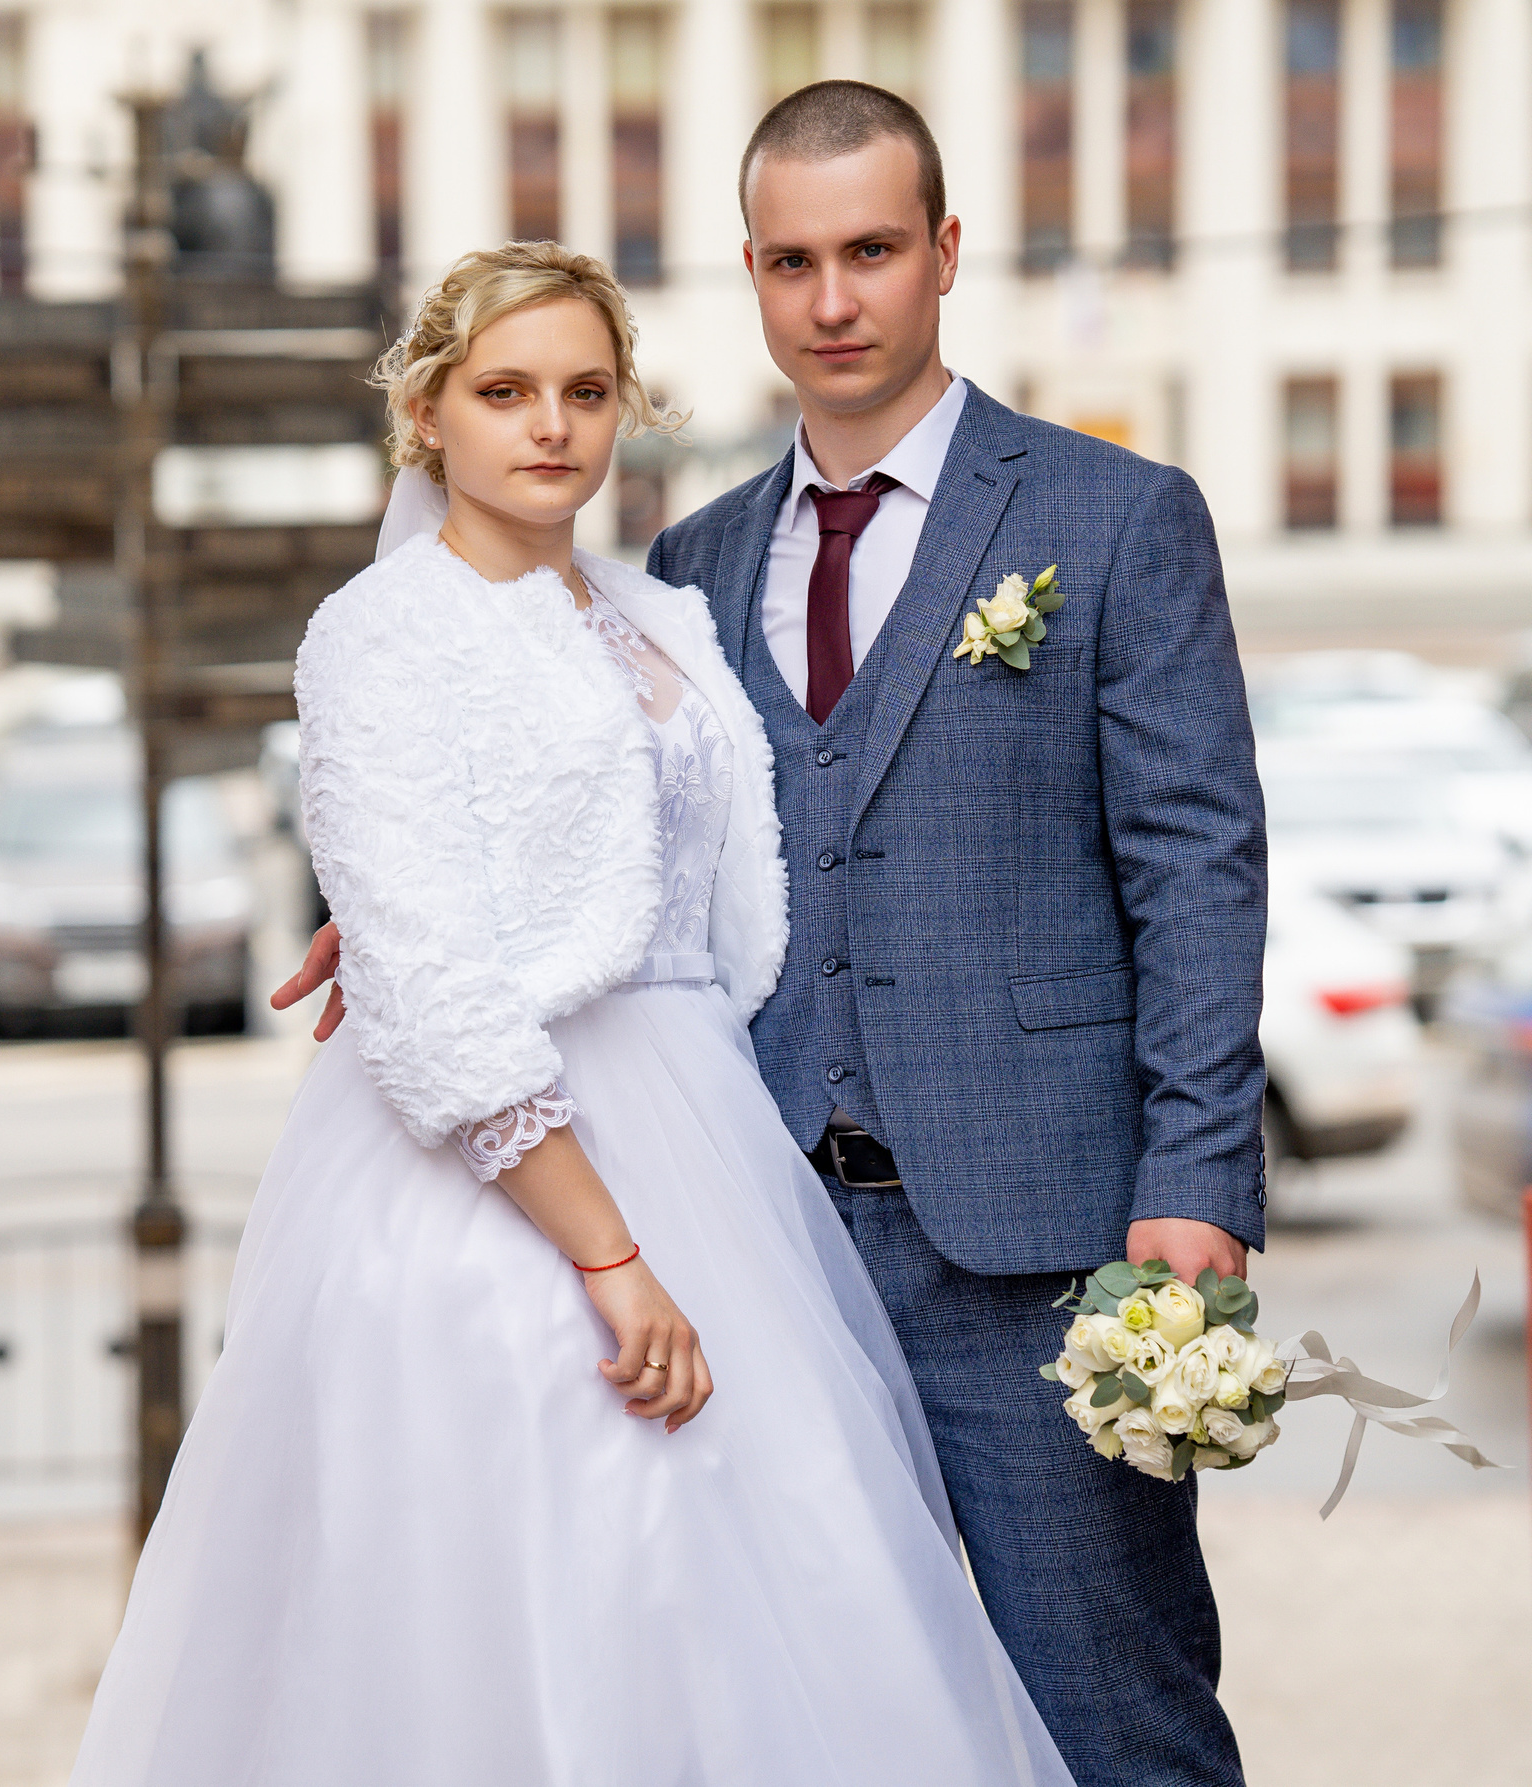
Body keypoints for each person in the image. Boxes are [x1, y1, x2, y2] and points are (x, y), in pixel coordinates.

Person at [277, 85, 1263, 1787]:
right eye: (793, 262)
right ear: (750, 275)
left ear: (944, 253)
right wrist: (399, 902)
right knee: (826, 1728)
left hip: (1040, 1244)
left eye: (871, 251)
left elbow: (1200, 867)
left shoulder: (1115, 518)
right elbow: (627, 822)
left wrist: (1196, 1179)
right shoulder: (692, 564)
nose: (834, 300)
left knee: (1116, 1727)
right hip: (758, 1230)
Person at [70, 241, 1073, 1785]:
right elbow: (434, 981)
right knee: (560, 1592)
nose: (552, 425)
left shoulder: (657, 607)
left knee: (757, 1612)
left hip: (709, 1136)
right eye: (506, 391)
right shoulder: (381, 631)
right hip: (505, 1181)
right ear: (427, 414)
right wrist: (608, 1253)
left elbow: (681, 857)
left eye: (588, 392)